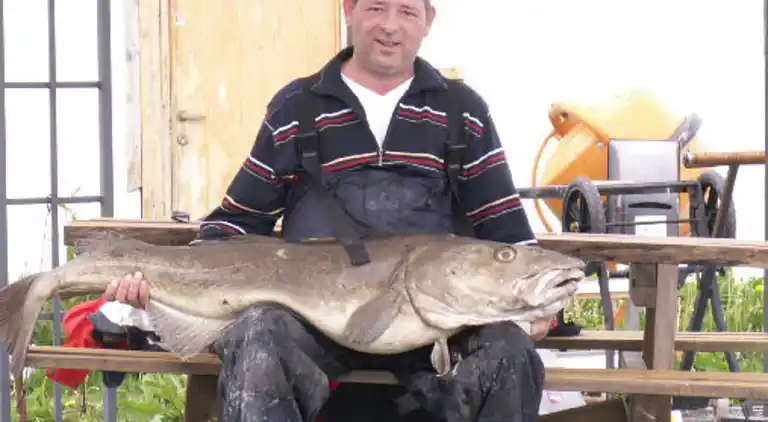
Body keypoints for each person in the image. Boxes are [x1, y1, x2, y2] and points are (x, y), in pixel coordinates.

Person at [104, 0, 553, 420]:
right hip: (313, 322)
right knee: (258, 336)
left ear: (428, 20)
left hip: (439, 326)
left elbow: (505, 230)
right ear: (349, 10)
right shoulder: (296, 109)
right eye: (375, 6)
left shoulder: (462, 112)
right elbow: (235, 224)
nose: (390, 26)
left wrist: (540, 300)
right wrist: (155, 280)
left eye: (407, 11)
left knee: (509, 353)